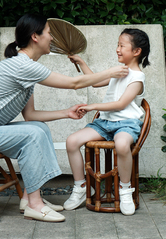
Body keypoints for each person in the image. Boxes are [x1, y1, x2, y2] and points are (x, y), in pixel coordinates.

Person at [0, 14, 129, 222]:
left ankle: (29, 198)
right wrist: (111, 72)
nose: (52, 39)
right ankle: (35, 205)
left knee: (38, 127)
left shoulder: (27, 69)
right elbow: (74, 83)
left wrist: (65, 113)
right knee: (32, 133)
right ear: (35, 36)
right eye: (49, 34)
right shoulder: (22, 66)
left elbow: (31, 115)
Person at [64, 28, 150, 216]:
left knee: (121, 144)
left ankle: (125, 189)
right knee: (71, 141)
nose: (117, 49)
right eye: (117, 45)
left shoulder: (137, 78)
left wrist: (92, 106)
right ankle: (81, 187)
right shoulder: (118, 71)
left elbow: (121, 104)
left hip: (126, 124)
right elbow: (95, 82)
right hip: (105, 123)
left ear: (136, 51)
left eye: (122, 46)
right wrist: (81, 62)